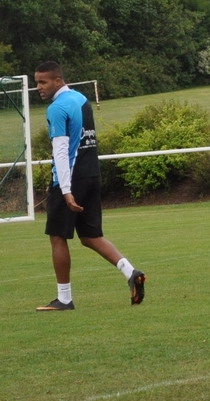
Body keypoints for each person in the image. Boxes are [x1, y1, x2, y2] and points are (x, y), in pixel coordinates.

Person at [34, 61, 146, 311]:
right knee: (90, 236)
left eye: (43, 82)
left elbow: (61, 151)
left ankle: (64, 299)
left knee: (57, 236)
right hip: (92, 175)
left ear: (58, 81)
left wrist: (65, 190)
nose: (38, 87)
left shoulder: (57, 108)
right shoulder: (81, 99)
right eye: (37, 82)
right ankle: (131, 272)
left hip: (69, 179)